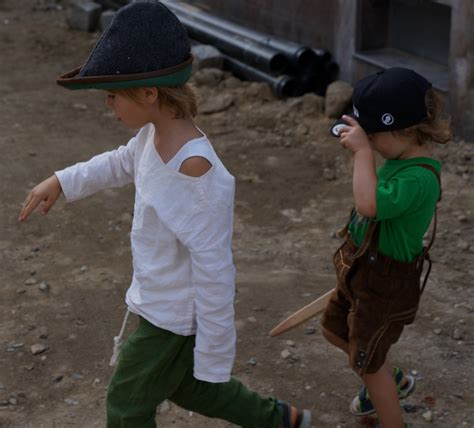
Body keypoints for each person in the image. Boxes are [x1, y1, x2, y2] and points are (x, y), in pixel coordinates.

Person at [18, 2, 311, 427]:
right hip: (159, 302)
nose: (108, 105)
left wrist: (214, 352)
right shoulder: (151, 137)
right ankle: (281, 420)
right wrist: (63, 180)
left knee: (126, 403)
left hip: (172, 318)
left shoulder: (197, 171)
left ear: (150, 93)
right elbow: (120, 162)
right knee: (187, 386)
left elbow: (215, 269)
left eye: (113, 95)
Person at [323, 67, 451, 428]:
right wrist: (368, 146)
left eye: (373, 136)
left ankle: (392, 420)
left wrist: (362, 154)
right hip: (364, 272)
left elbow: (369, 205)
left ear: (406, 129)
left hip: (386, 284)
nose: (370, 143)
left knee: (367, 361)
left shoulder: (418, 179)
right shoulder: (399, 160)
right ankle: (392, 382)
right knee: (335, 331)